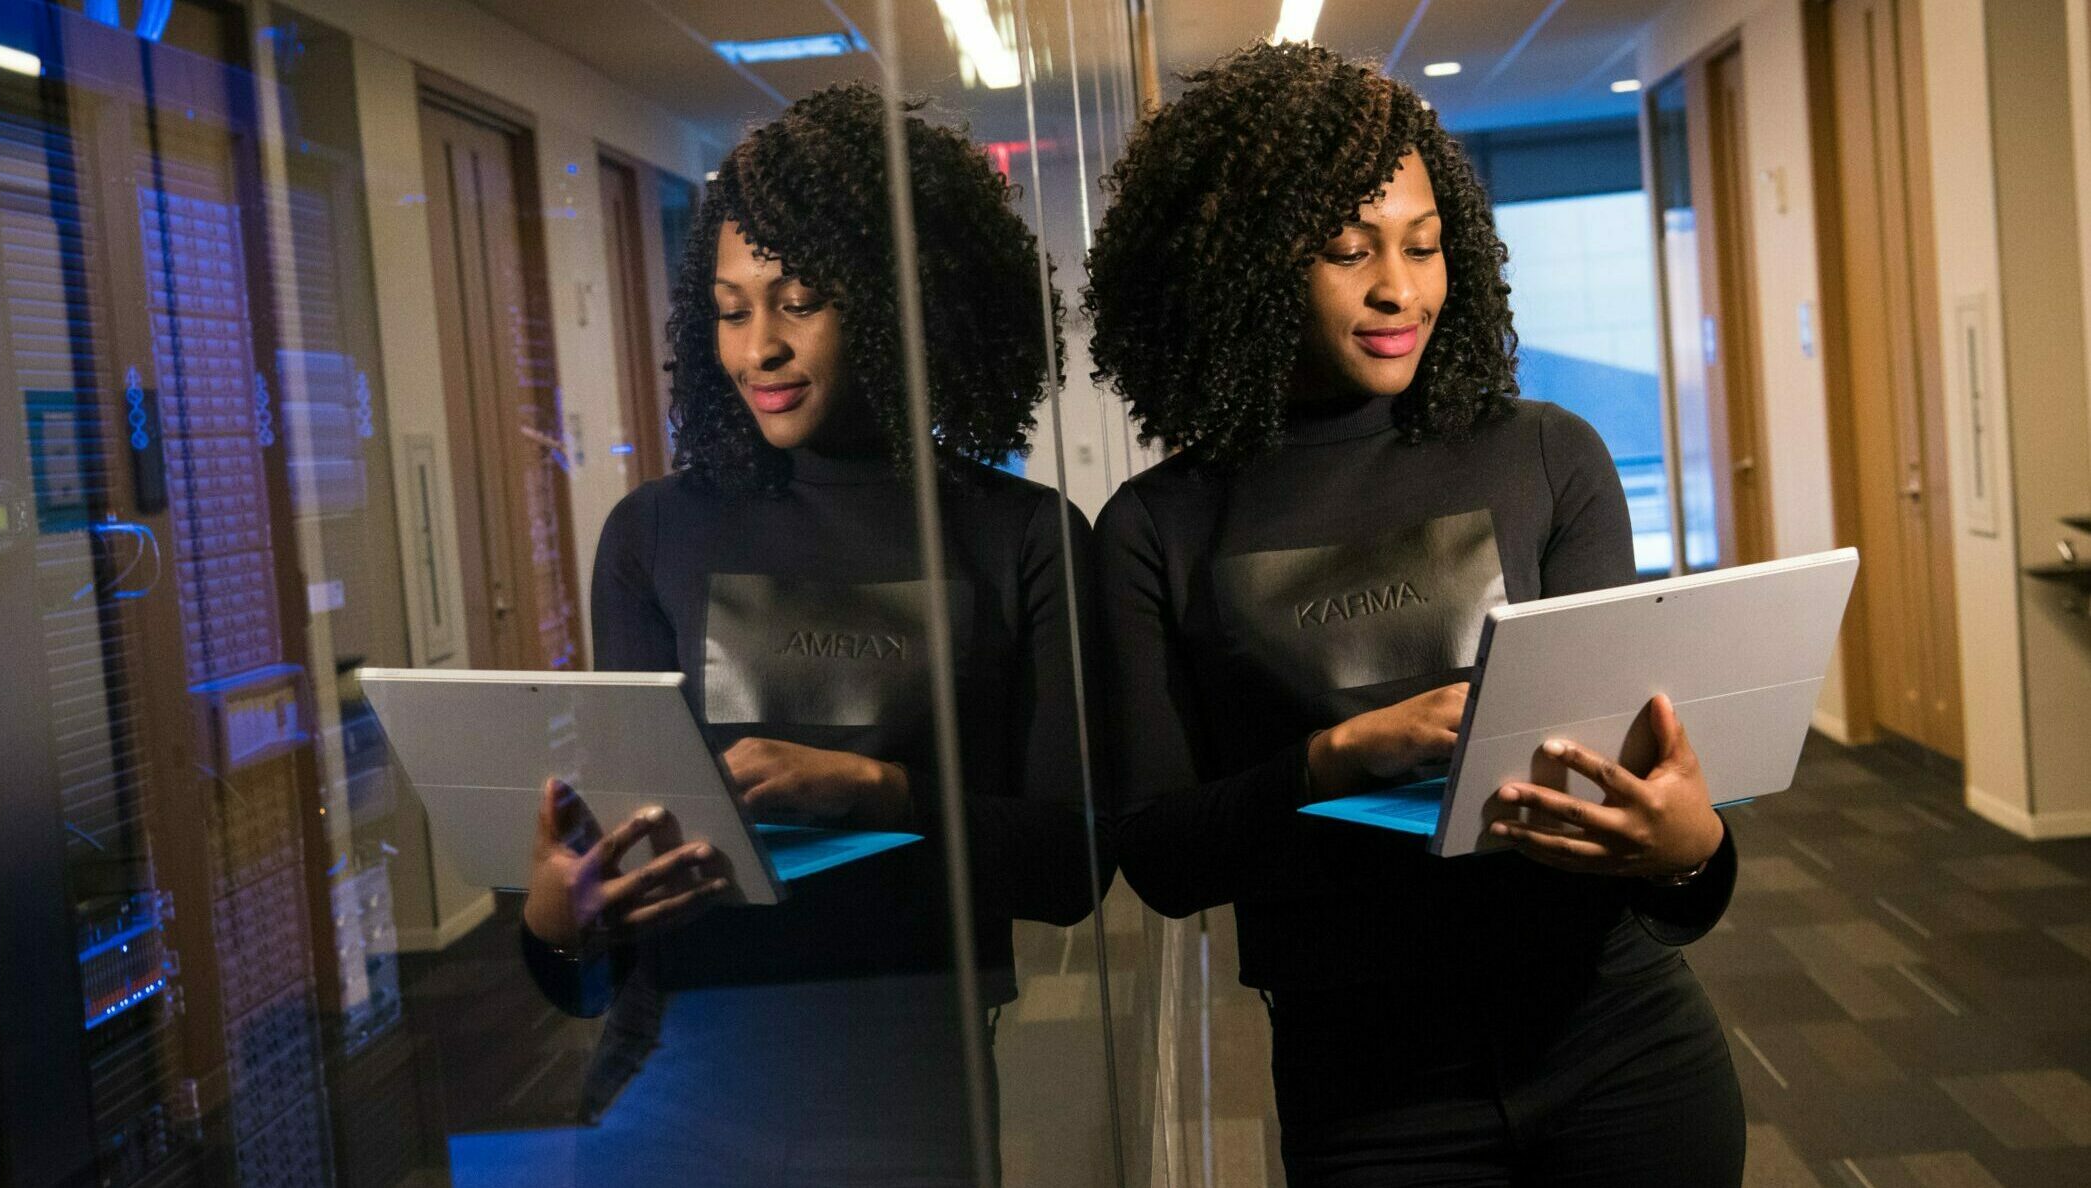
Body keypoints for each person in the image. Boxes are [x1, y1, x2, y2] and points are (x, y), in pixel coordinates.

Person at [1083, 42, 1745, 1187]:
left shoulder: (1548, 456)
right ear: (1245, 268)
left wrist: (1693, 856)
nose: (1399, 288)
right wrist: (1334, 758)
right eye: (1349, 251)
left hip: (1619, 1046)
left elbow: (1631, 786)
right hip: (1366, 1094)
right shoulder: (1157, 525)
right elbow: (1159, 857)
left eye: (1423, 243)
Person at [512, 82, 1102, 1185]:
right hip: (673, 1066)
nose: (760, 349)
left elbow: (1068, 866)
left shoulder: (1019, 534)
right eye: (731, 310)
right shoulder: (653, 533)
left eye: (799, 303)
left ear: (900, 303)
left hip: (907, 1076)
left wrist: (872, 790)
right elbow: (619, 881)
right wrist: (556, 922)